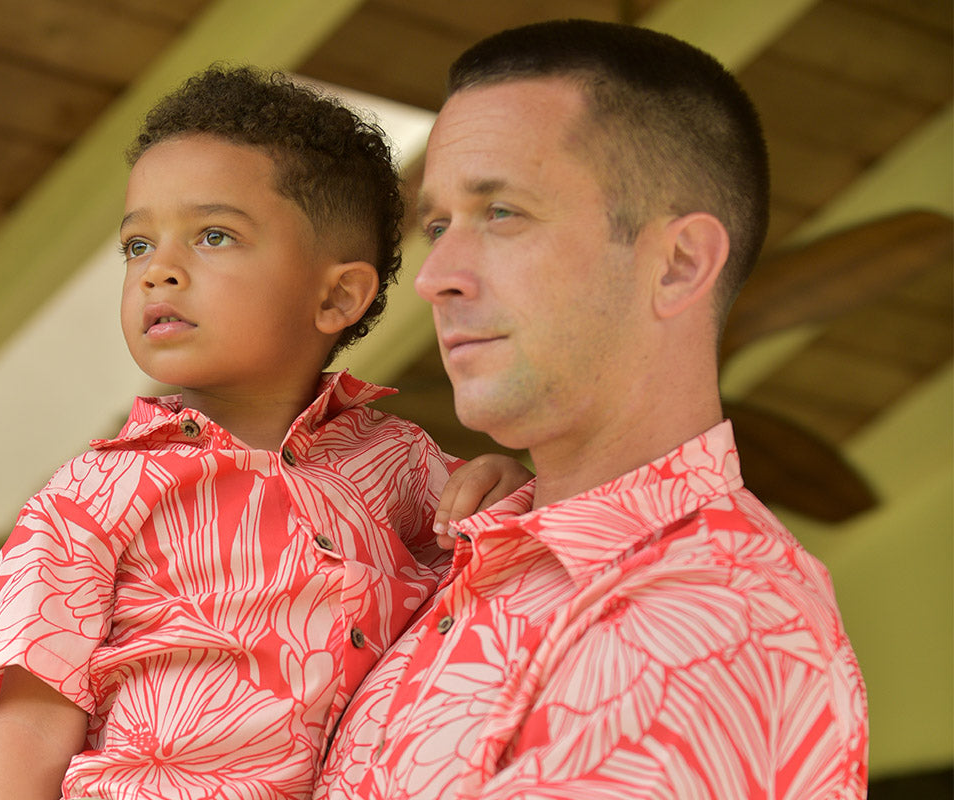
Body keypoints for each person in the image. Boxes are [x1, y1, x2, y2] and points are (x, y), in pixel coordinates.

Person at [317, 19, 869, 799]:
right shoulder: (468, 557)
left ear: (677, 265)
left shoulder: (708, 623)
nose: (434, 274)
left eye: (502, 212)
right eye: (438, 225)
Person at [0, 66, 531, 800]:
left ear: (336, 296)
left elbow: (505, 564)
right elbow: (30, 732)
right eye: (138, 246)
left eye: (213, 235)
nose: (158, 271)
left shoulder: (404, 464)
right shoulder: (86, 498)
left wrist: (507, 482)